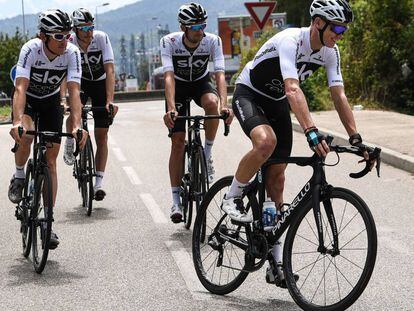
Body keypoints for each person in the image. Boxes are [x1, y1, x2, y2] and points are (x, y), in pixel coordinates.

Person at [221, 0, 372, 285]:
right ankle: (231, 197)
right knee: (265, 143)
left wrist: (356, 137)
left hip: (276, 103)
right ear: (318, 22)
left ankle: (275, 263)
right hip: (250, 94)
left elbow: (339, 96)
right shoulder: (291, 39)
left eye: (344, 30)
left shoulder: (330, 52)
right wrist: (311, 131)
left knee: (277, 179)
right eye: (337, 27)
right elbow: (293, 88)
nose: (340, 34)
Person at [8, 9, 88, 248]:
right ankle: (20, 175)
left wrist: (76, 126)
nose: (65, 41)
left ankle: (48, 222)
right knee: (27, 135)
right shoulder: (31, 49)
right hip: (29, 101)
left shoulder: (72, 53)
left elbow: (74, 93)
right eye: (59, 36)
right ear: (44, 36)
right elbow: (20, 88)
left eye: (68, 35)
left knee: (51, 161)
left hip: (51, 103)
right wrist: (16, 121)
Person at [161, 2, 233, 223]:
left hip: (201, 82)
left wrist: (224, 104)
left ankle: (207, 154)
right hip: (179, 87)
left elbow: (220, 74)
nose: (200, 31)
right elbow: (169, 77)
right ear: (184, 28)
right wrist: (172, 107)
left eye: (203, 25)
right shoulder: (170, 42)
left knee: (212, 104)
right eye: (195, 27)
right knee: (178, 142)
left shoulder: (212, 41)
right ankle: (175, 200)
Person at [63, 8, 117, 201]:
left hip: (100, 83)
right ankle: (70, 143)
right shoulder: (69, 42)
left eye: (91, 27)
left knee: (102, 136)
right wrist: (64, 100)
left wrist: (110, 100)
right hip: (80, 82)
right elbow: (64, 73)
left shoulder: (101, 38)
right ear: (75, 29)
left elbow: (110, 70)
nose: (89, 31)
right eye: (84, 28)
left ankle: (98, 184)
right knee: (74, 112)